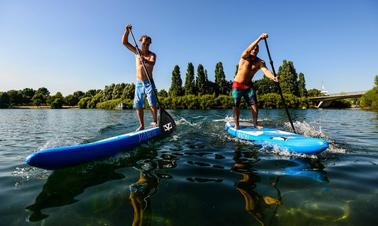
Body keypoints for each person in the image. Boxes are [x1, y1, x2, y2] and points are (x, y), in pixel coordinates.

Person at [232, 33, 279, 129]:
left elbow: (266, 71)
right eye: (253, 48)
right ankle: (236, 125)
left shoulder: (260, 62)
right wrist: (259, 38)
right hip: (237, 85)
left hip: (249, 87)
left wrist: (273, 77)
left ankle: (255, 124)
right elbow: (248, 50)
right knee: (236, 104)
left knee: (254, 104)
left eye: (256, 49)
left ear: (258, 51)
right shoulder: (244, 56)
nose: (254, 50)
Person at [122, 24, 158, 131]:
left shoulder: (152, 55)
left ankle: (155, 122)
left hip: (149, 82)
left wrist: (145, 60)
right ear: (141, 43)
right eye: (144, 44)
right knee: (138, 104)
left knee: (152, 102)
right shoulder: (136, 52)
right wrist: (127, 31)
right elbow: (124, 42)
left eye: (148, 44)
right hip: (138, 82)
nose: (146, 46)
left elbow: (152, 63)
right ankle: (142, 126)